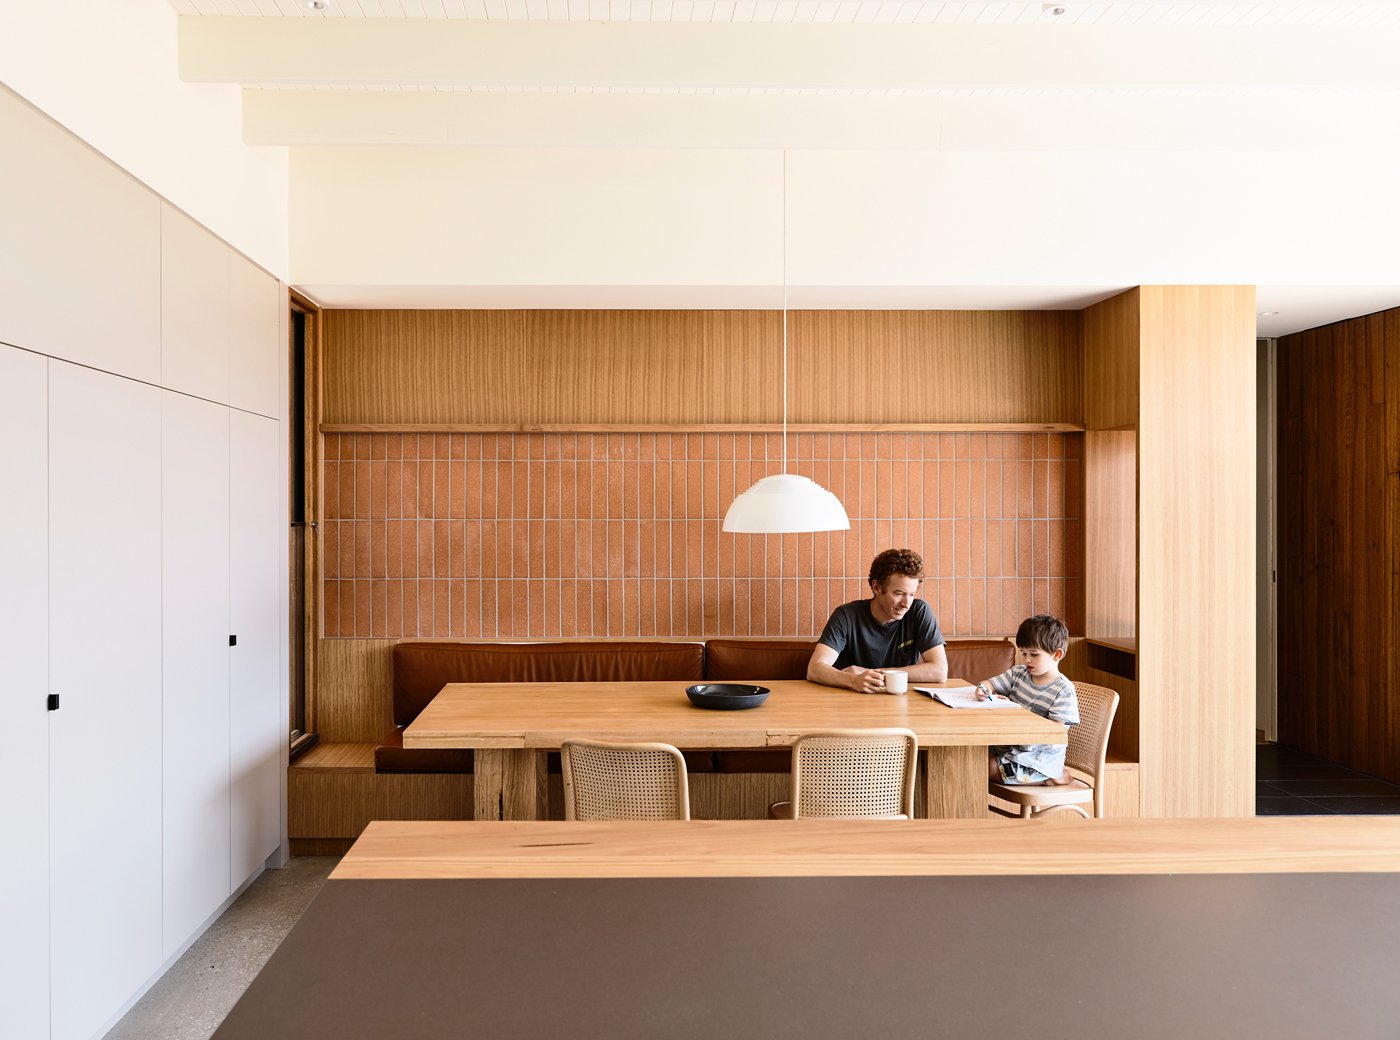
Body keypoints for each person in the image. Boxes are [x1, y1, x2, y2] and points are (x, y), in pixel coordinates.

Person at [807, 548, 948, 694]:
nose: (906, 604)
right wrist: (853, 681)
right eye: (899, 594)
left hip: (902, 703)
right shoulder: (846, 615)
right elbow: (815, 668)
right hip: (852, 701)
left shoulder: (919, 612)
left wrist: (871, 673)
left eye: (911, 594)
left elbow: (940, 671)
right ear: (877, 587)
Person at [976, 614, 1079, 785]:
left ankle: (1050, 776)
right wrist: (984, 690)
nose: (1027, 660)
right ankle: (1052, 774)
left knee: (981, 767)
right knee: (968, 752)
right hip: (1010, 747)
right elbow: (990, 684)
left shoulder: (1063, 690)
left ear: (1056, 655)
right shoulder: (1018, 673)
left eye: (1034, 654)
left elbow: (1054, 733)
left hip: (1035, 759)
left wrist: (1015, 710)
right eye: (1023, 653)